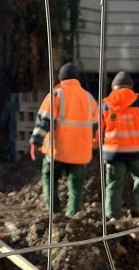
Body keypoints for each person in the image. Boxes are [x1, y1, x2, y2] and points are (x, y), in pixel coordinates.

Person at [30, 63, 98, 217]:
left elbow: (44, 121)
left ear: (61, 78)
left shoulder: (55, 95)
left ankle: (54, 212)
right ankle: (73, 215)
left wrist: (36, 141)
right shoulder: (89, 98)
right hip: (80, 153)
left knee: (49, 177)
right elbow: (96, 126)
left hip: (57, 150)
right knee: (76, 185)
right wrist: (92, 144)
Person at [99, 71, 139, 219]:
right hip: (136, 152)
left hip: (113, 153)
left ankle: (112, 216)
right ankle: (137, 206)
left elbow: (97, 129)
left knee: (114, 182)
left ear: (114, 87)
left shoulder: (105, 105)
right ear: (130, 87)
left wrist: (96, 146)